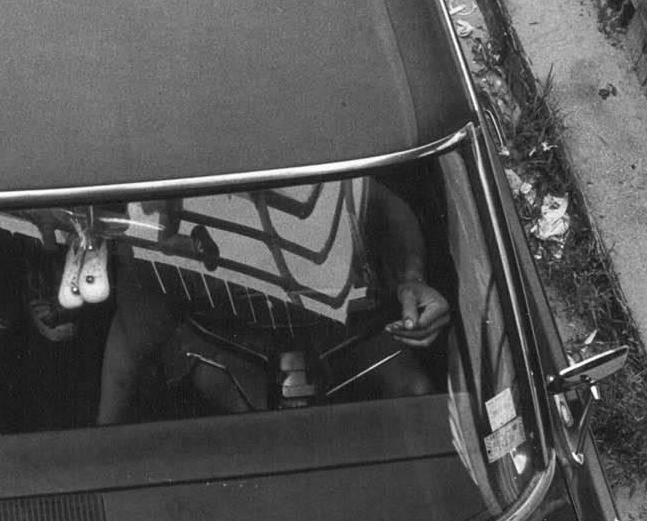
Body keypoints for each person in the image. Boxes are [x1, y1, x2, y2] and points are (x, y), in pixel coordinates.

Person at [94, 178, 452, 424]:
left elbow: (386, 208)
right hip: (229, 351)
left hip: (339, 335)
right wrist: (103, 447)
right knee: (258, 419)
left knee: (416, 391)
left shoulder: (312, 159)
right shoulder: (168, 217)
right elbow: (130, 344)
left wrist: (411, 280)